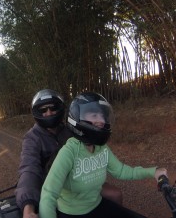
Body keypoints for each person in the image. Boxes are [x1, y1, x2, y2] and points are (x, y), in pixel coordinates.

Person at [39, 92, 168, 218]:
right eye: (94, 115)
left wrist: (154, 172)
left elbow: (121, 171)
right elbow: (48, 194)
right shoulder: (69, 152)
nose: (101, 121)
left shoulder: (101, 148)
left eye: (102, 116)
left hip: (97, 205)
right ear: (77, 118)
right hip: (72, 213)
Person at [15, 89, 122, 218]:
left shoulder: (71, 129)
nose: (49, 113)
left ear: (60, 108)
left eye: (53, 108)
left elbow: (93, 150)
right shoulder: (32, 138)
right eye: (43, 110)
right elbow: (29, 169)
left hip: (78, 179)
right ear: (37, 113)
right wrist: (28, 209)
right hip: (52, 185)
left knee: (115, 194)